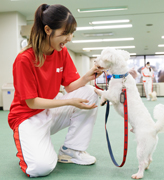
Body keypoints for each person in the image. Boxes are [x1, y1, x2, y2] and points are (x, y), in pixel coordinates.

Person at [8, 4, 102, 177]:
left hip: (50, 110)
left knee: (89, 92)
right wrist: (68, 101)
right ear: (47, 30)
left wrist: (87, 77)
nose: (70, 38)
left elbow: (70, 86)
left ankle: (71, 150)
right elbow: (32, 101)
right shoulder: (24, 59)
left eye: (71, 33)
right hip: (27, 117)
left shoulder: (62, 52)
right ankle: (30, 145)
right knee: (40, 168)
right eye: (65, 33)